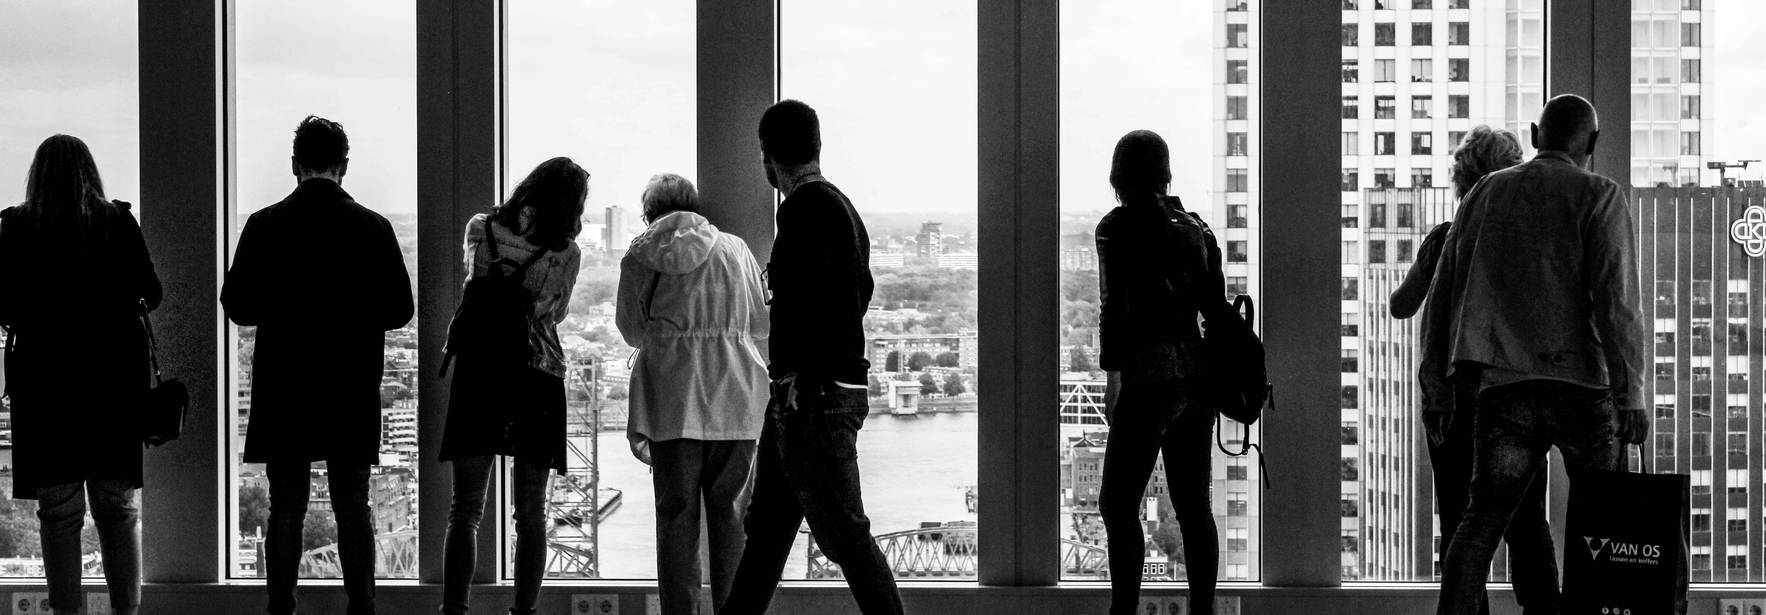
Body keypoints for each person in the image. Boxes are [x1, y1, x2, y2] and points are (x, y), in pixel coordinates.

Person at [1425, 95, 1647, 615]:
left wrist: (1436, 384)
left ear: (1533, 132)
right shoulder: (1600, 195)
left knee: (1479, 524)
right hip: (1584, 390)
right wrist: (1631, 392)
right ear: (1591, 142)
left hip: (1504, 388)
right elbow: (1618, 305)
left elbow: (1444, 297)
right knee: (1604, 529)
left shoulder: (1485, 193)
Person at [222, 116, 415, 615]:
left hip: (285, 387)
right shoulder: (374, 227)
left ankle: (281, 608)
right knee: (353, 504)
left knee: (285, 506)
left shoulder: (264, 225)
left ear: (294, 166)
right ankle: (362, 607)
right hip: (349, 387)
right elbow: (400, 310)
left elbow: (238, 305)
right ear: (344, 166)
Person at [720, 99, 904, 615]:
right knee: (768, 535)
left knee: (844, 536)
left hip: (808, 399)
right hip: (818, 394)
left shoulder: (801, 210)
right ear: (817, 146)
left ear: (767, 158)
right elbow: (856, 294)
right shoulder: (844, 208)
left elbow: (798, 309)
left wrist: (796, 377)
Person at [1392, 126, 1557, 615]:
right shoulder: (1533, 243)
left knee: (1462, 522)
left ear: (1462, 180)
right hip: (1518, 390)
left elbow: (1403, 306)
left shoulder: (1447, 237)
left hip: (1455, 396)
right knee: (1527, 522)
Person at [0, 134, 160, 615]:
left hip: (46, 390)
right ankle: (125, 612)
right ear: (91, 172)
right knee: (117, 512)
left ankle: (67, 613)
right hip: (112, 387)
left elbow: (2, 303)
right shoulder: (117, 222)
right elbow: (150, 294)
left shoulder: (17, 227)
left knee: (59, 516)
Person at [437, 157, 586, 615]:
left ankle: (454, 610)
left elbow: (471, 284)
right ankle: (523, 613)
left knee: (465, 508)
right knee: (531, 515)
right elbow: (553, 313)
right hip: (536, 373)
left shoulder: (479, 228)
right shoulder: (566, 253)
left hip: (480, 372)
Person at [1093, 130, 1232, 615]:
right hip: (1196, 380)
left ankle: (1123, 613)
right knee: (1195, 508)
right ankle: (1203, 612)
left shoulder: (1116, 227)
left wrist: (1114, 380)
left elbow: (1114, 309)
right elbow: (1213, 308)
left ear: (1118, 175)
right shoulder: (1197, 229)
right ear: (1165, 172)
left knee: (1116, 504)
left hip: (1147, 379)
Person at [617, 173, 769, 615]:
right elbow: (760, 324)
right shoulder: (735, 249)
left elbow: (630, 330)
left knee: (676, 521)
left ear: (649, 214)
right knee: (733, 521)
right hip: (738, 397)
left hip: (672, 400)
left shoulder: (641, 255)